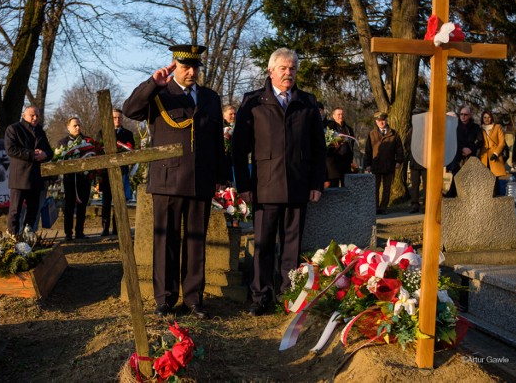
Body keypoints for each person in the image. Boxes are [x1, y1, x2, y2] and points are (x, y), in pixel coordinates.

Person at [122, 44, 226, 319]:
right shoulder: (159, 95)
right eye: (185, 67)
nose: (191, 72)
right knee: (165, 241)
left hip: (200, 181)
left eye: (195, 67)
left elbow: (217, 142)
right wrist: (152, 84)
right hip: (167, 181)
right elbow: (129, 110)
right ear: (174, 66)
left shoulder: (210, 98)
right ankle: (165, 300)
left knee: (195, 243)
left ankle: (193, 300)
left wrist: (220, 178)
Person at [232, 47, 326, 316]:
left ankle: (288, 294)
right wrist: (245, 186)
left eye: (293, 68)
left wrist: (317, 184)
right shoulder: (254, 102)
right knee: (262, 244)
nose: (289, 73)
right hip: (264, 186)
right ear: (270, 71)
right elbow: (239, 149)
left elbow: (319, 148)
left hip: (298, 185)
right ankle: (260, 296)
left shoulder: (307, 102)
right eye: (283, 68)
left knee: (292, 245)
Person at [5, 106, 53, 235]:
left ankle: (28, 237)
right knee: (15, 211)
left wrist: (45, 155)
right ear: (24, 115)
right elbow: (11, 149)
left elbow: (50, 151)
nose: (35, 118)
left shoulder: (40, 131)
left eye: (37, 115)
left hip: (36, 177)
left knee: (33, 210)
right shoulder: (13, 129)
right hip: (19, 177)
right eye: (32, 115)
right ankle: (12, 237)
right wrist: (32, 154)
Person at [97, 108, 135, 236]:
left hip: (122, 172)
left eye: (119, 117)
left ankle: (117, 228)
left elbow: (132, 152)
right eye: (114, 118)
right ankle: (105, 228)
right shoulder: (102, 133)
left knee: (119, 201)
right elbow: (98, 151)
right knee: (106, 201)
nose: (117, 120)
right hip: (106, 173)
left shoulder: (128, 134)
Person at [58, 117, 93, 240]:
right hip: (70, 179)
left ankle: (80, 232)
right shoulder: (62, 142)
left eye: (79, 125)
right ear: (68, 127)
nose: (78, 128)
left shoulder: (87, 141)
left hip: (84, 179)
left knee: (82, 206)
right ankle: (68, 233)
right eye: (74, 126)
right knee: (69, 206)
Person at [363, 111, 404, 215]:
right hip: (375, 165)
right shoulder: (372, 134)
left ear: (386, 120)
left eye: (383, 120)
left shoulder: (394, 134)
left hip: (389, 165)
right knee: (375, 188)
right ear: (376, 122)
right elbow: (368, 151)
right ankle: (375, 208)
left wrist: (399, 161)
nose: (382, 122)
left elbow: (399, 149)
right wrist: (367, 165)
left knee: (387, 188)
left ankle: (383, 208)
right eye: (379, 121)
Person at [445, 105, 483, 197]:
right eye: (461, 114)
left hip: (470, 154)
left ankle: (462, 195)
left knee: (469, 175)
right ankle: (452, 194)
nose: (463, 116)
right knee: (456, 174)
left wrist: (470, 149)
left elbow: (480, 141)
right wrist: (462, 148)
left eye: (465, 114)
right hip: (458, 153)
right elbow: (452, 139)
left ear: (470, 115)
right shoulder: (455, 126)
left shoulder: (475, 127)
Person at [325, 107, 355, 188]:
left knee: (346, 188)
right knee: (333, 188)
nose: (341, 116)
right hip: (333, 163)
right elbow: (326, 144)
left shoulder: (349, 129)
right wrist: (334, 145)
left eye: (342, 114)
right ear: (334, 116)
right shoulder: (329, 128)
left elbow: (352, 145)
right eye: (338, 114)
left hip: (346, 163)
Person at [479, 110, 507, 196]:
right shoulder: (480, 128)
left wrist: (496, 153)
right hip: (484, 156)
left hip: (495, 155)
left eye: (488, 117)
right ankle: (487, 196)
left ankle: (497, 197)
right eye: (485, 117)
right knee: (485, 177)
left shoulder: (497, 127)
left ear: (491, 118)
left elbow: (502, 142)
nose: (486, 119)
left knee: (496, 178)